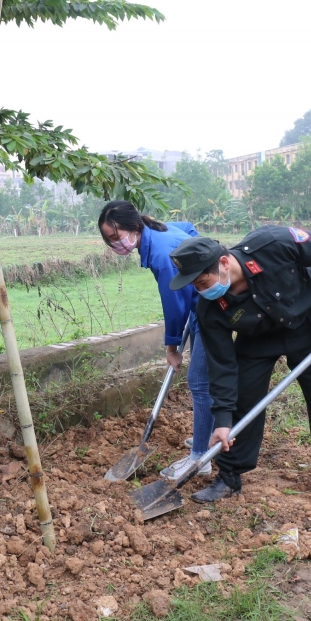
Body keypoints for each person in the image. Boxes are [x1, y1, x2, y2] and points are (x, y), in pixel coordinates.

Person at [167, 226, 311, 506]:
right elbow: (221, 366)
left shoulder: (273, 244)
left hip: (308, 322)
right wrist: (222, 421)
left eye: (202, 281)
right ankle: (230, 475)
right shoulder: (210, 308)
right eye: (194, 286)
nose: (200, 289)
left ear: (223, 262)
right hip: (257, 337)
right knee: (243, 398)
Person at [98, 201, 213, 479]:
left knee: (198, 382)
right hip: (204, 306)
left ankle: (201, 458)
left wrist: (172, 348)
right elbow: (189, 229)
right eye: (109, 240)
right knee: (206, 381)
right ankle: (206, 438)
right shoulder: (158, 231)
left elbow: (174, 306)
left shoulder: (162, 254)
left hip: (211, 311)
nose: (116, 244)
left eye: (116, 237)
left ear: (134, 227)